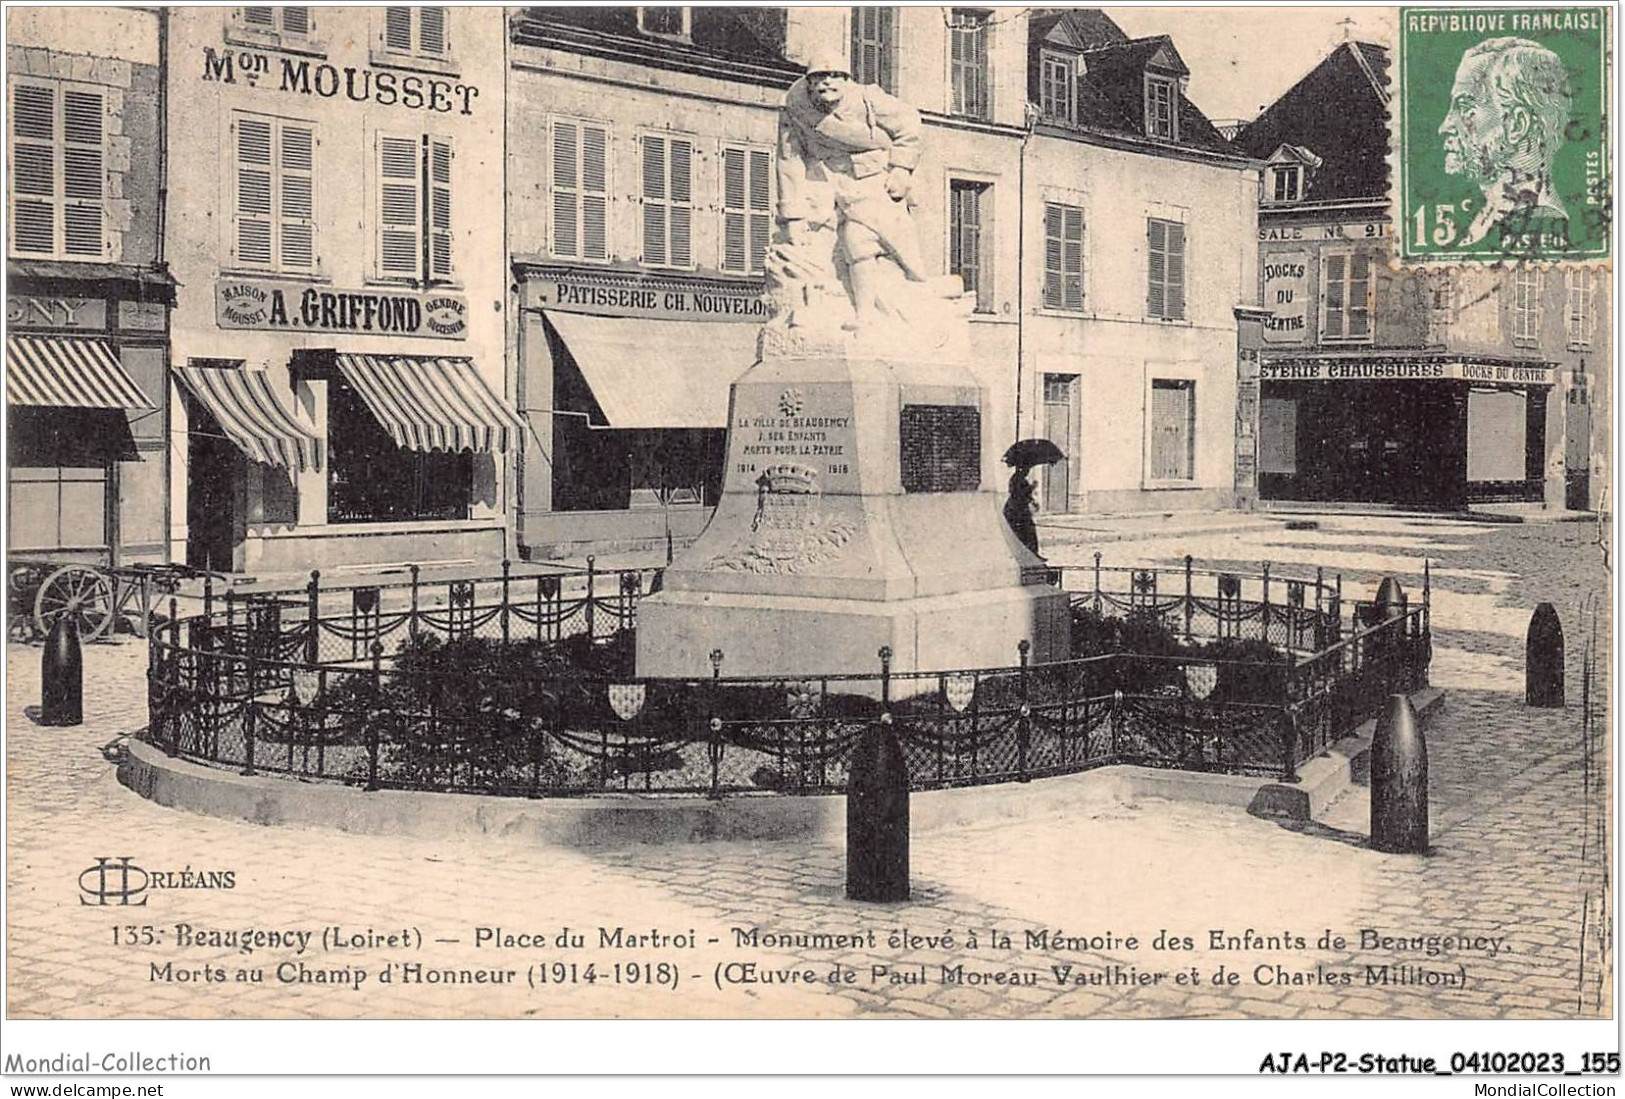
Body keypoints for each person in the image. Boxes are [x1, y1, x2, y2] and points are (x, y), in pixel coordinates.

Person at [774, 48, 930, 328]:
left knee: (862, 239)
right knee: (811, 249)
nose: (826, 83)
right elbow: (789, 159)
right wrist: (793, 215)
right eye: (818, 77)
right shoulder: (795, 106)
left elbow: (909, 123)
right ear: (808, 82)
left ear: (847, 80)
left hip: (871, 179)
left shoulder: (868, 99)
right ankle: (828, 312)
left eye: (835, 76)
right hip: (824, 181)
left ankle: (868, 313)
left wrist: (901, 169)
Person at [1437, 37, 1574, 247]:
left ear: (1517, 125)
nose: (1445, 126)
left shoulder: (1541, 218)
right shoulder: (1483, 216)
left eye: (1465, 109)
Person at [1003, 469, 1040, 557]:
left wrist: (1033, 501)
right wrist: (1032, 487)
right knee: (1025, 532)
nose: (1027, 471)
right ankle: (1029, 554)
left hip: (1020, 509)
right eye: (1026, 468)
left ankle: (1033, 554)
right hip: (1015, 510)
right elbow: (1018, 493)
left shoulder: (1022, 479)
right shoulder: (1016, 479)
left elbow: (1026, 495)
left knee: (1029, 531)